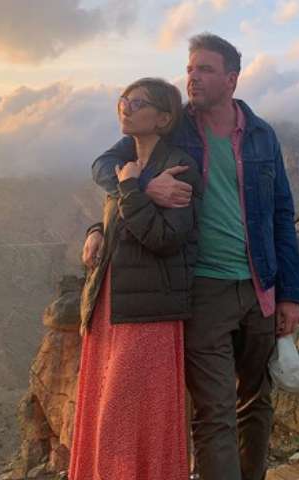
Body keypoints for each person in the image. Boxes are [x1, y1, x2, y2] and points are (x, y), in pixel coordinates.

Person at [86, 33, 299, 480]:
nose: (192, 78)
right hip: (203, 288)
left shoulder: (262, 135)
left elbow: (282, 214)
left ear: (231, 79)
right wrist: (140, 189)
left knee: (256, 403)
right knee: (215, 412)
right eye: (189, 69)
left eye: (205, 69)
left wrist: (291, 294)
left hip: (260, 288)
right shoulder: (175, 128)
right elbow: (105, 167)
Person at [69, 78, 202, 480]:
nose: (126, 107)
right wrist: (96, 230)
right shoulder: (126, 164)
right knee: (104, 414)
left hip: (148, 313)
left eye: (138, 103)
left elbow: (163, 238)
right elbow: (119, 215)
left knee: (124, 420)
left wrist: (131, 187)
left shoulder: (179, 167)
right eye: (124, 99)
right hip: (110, 304)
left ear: (162, 118)